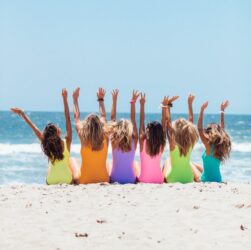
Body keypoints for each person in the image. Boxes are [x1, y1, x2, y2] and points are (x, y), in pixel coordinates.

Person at [11, 89, 79, 185]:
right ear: (58, 132)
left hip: (51, 181)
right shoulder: (67, 141)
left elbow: (35, 130)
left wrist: (23, 114)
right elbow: (67, 119)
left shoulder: (47, 144)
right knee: (71, 161)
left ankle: (53, 177)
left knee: (50, 166)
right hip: (66, 180)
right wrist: (65, 100)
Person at [72, 87, 110, 184]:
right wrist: (101, 100)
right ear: (100, 125)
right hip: (104, 179)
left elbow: (76, 118)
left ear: (86, 126)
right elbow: (103, 116)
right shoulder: (105, 135)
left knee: (72, 160)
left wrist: (75, 99)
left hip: (84, 180)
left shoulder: (83, 137)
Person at [193, 101, 231, 182]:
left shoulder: (208, 146)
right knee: (196, 166)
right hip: (218, 179)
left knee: (190, 164)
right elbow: (222, 129)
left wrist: (202, 110)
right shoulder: (220, 147)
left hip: (205, 180)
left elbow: (199, 129)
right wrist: (222, 111)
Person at [163, 96, 199, 183]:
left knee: (168, 160)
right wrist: (190, 104)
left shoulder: (172, 142)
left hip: (172, 178)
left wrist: (167, 105)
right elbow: (191, 120)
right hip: (188, 178)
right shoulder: (190, 141)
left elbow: (167, 121)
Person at [108, 90, 140, 184]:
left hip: (114, 179)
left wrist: (114, 100)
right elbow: (133, 118)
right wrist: (133, 102)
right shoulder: (134, 140)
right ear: (130, 128)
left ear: (117, 129)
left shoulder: (114, 141)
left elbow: (112, 118)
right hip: (131, 179)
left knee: (109, 164)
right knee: (135, 164)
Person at [137, 93, 167, 183]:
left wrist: (142, 105)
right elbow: (164, 123)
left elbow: (141, 121)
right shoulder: (162, 143)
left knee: (137, 164)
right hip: (159, 179)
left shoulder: (143, 141)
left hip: (144, 179)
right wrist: (164, 107)